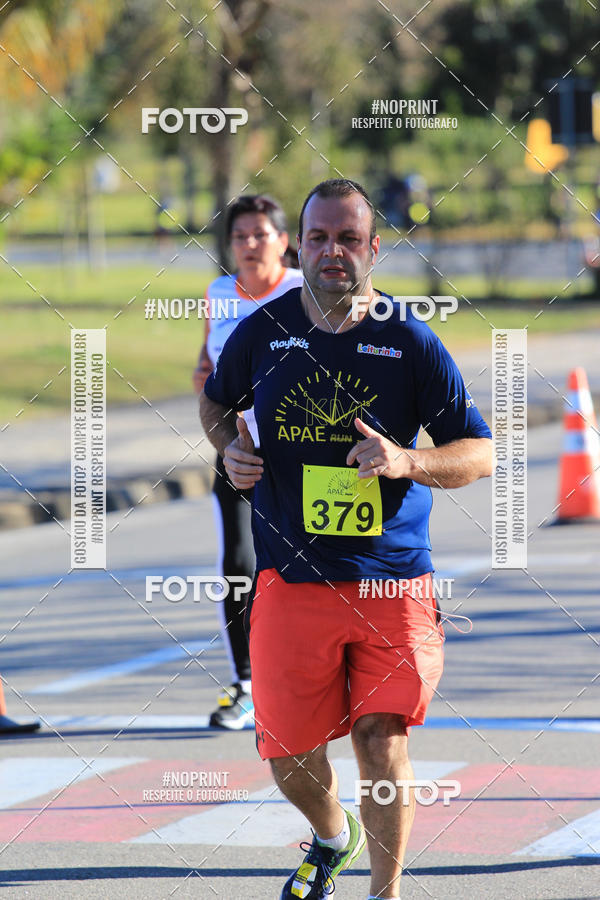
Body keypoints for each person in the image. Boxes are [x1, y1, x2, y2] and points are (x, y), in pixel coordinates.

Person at [200, 179, 493, 899]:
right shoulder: (263, 332)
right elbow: (215, 401)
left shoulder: (408, 341)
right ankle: (334, 833)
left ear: (374, 248)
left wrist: (409, 460)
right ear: (300, 245)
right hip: (291, 579)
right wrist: (227, 449)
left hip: (390, 579)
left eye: (350, 238)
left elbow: (479, 451)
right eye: (321, 237)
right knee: (289, 755)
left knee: (381, 740)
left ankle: (383, 893)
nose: (334, 251)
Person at [193, 194, 302, 729]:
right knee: (239, 564)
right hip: (238, 451)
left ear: (284, 241)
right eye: (240, 236)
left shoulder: (304, 290)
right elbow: (205, 367)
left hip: (302, 453)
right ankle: (246, 685)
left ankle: (309, 678)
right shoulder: (219, 292)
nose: (251, 244)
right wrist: (222, 433)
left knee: (303, 565)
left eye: (261, 234)